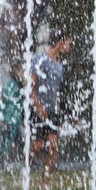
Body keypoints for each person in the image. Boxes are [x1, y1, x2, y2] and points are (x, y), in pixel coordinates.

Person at [28, 33, 72, 182]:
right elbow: (30, 86)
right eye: (67, 43)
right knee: (37, 146)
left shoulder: (59, 66)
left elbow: (54, 90)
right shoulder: (40, 60)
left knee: (52, 145)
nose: (68, 47)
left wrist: (58, 107)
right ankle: (25, 172)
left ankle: (44, 181)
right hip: (38, 109)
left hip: (52, 110)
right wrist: (37, 106)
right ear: (59, 42)